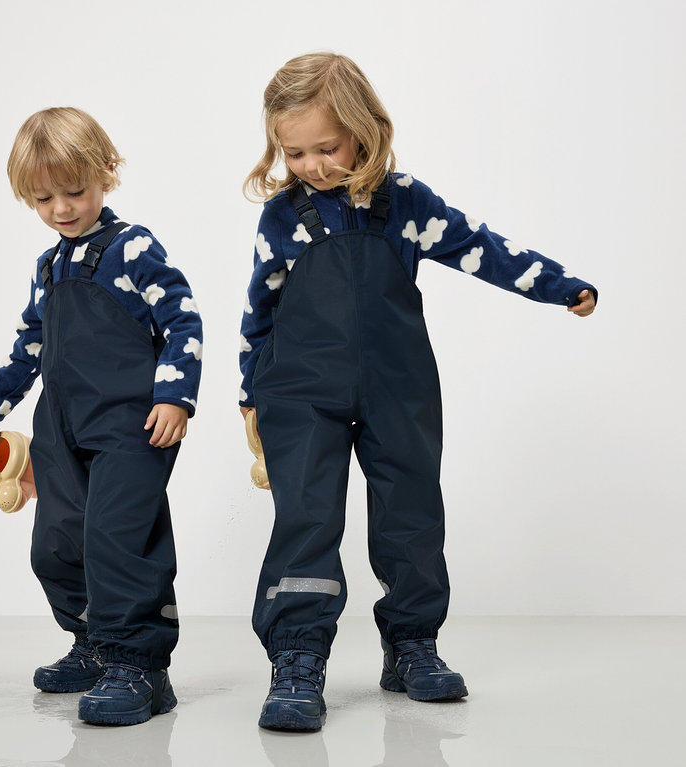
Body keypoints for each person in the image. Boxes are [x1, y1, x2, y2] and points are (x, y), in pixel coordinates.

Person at [238, 53, 596, 731]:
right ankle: (296, 656)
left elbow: (480, 248)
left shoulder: (404, 204)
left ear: (364, 129)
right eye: (295, 152)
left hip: (397, 387)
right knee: (306, 519)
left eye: (327, 147)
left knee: (411, 513)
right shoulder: (282, 219)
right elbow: (259, 310)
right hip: (298, 392)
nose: (312, 165)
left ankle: (412, 644)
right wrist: (250, 395)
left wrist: (559, 286)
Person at [0, 107, 202, 727]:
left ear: (107, 174)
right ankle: (93, 645)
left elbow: (182, 321)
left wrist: (175, 396)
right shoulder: (49, 268)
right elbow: (29, 346)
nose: (62, 208)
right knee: (55, 546)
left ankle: (139, 666)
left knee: (118, 543)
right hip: (60, 430)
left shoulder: (133, 249)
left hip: (132, 427)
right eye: (43, 198)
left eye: (74, 191)